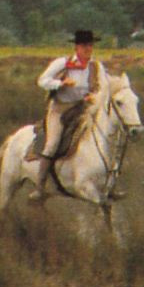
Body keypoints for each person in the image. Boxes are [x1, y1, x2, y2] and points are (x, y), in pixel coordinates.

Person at [31, 29, 103, 201]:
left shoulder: (95, 66)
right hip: (60, 108)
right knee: (53, 143)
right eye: (85, 46)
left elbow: (102, 86)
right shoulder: (63, 63)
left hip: (83, 107)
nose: (88, 49)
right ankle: (40, 187)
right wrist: (60, 83)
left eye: (90, 45)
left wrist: (95, 96)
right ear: (77, 47)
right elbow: (42, 80)